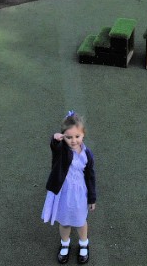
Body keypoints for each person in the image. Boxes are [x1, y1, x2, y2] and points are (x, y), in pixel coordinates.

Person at [42, 110, 96, 265]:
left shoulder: (87, 154)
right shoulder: (62, 150)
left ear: (83, 135)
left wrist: (92, 198)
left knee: (80, 221)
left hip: (80, 194)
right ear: (63, 136)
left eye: (77, 136)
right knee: (64, 221)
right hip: (63, 193)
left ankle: (83, 243)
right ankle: (65, 243)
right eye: (69, 137)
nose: (73, 141)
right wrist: (55, 140)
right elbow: (55, 147)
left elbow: (90, 176)